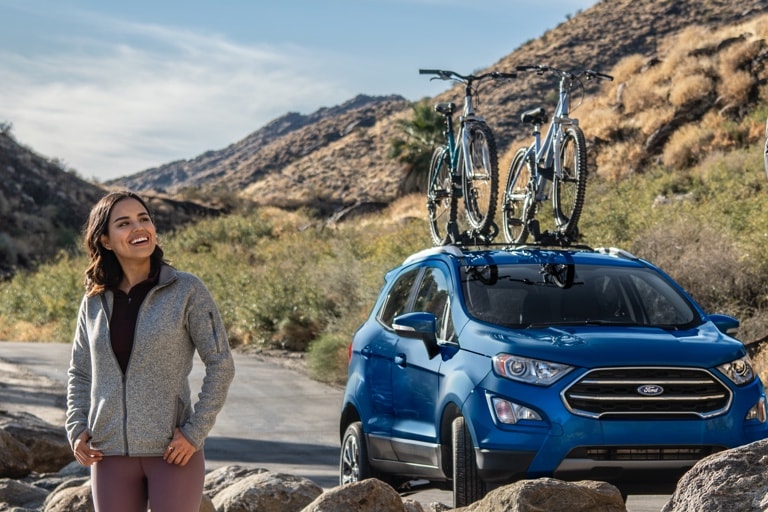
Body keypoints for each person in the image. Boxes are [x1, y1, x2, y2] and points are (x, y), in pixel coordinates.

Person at [66, 190, 235, 512]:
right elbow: (80, 371)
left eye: (144, 219)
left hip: (173, 451)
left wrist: (194, 432)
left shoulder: (187, 290)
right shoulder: (93, 300)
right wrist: (76, 428)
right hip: (108, 451)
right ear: (105, 240)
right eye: (124, 223)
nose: (139, 228)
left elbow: (220, 363)